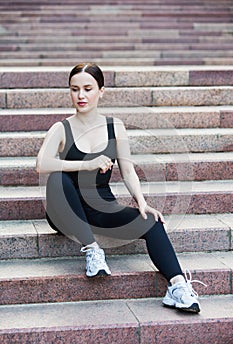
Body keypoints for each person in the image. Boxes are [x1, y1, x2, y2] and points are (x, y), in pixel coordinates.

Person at [36, 62, 204, 313]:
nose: (81, 95)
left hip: (101, 208)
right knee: (57, 176)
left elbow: (127, 170)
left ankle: (178, 286)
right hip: (64, 210)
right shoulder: (62, 128)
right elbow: (41, 164)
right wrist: (88, 164)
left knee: (152, 222)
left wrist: (142, 202)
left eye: (88, 89)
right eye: (74, 89)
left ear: (101, 91)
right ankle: (92, 250)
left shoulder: (116, 127)